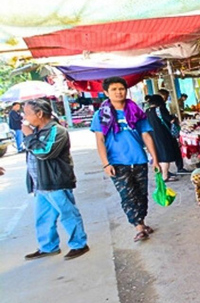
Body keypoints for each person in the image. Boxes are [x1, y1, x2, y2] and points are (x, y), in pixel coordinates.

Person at [91, 77, 160, 242]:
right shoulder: (101, 115)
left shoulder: (136, 111)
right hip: (116, 163)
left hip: (138, 160)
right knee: (127, 195)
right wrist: (105, 163)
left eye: (121, 88)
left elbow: (146, 135)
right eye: (113, 89)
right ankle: (138, 227)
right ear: (106, 93)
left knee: (141, 194)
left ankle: (141, 221)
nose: (118, 92)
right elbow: (100, 140)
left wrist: (155, 159)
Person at [21, 99, 89, 261]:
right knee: (43, 217)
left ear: (39, 113)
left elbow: (45, 152)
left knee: (68, 213)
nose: (25, 117)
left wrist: (29, 136)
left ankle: (79, 243)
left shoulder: (57, 131)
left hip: (55, 181)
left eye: (27, 113)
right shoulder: (37, 130)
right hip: (41, 184)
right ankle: (48, 246)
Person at [145, 94, 184, 182]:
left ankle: (161, 175)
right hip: (163, 135)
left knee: (159, 155)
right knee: (165, 156)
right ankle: (165, 176)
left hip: (152, 136)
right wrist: (174, 119)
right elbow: (170, 120)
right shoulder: (160, 109)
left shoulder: (147, 111)